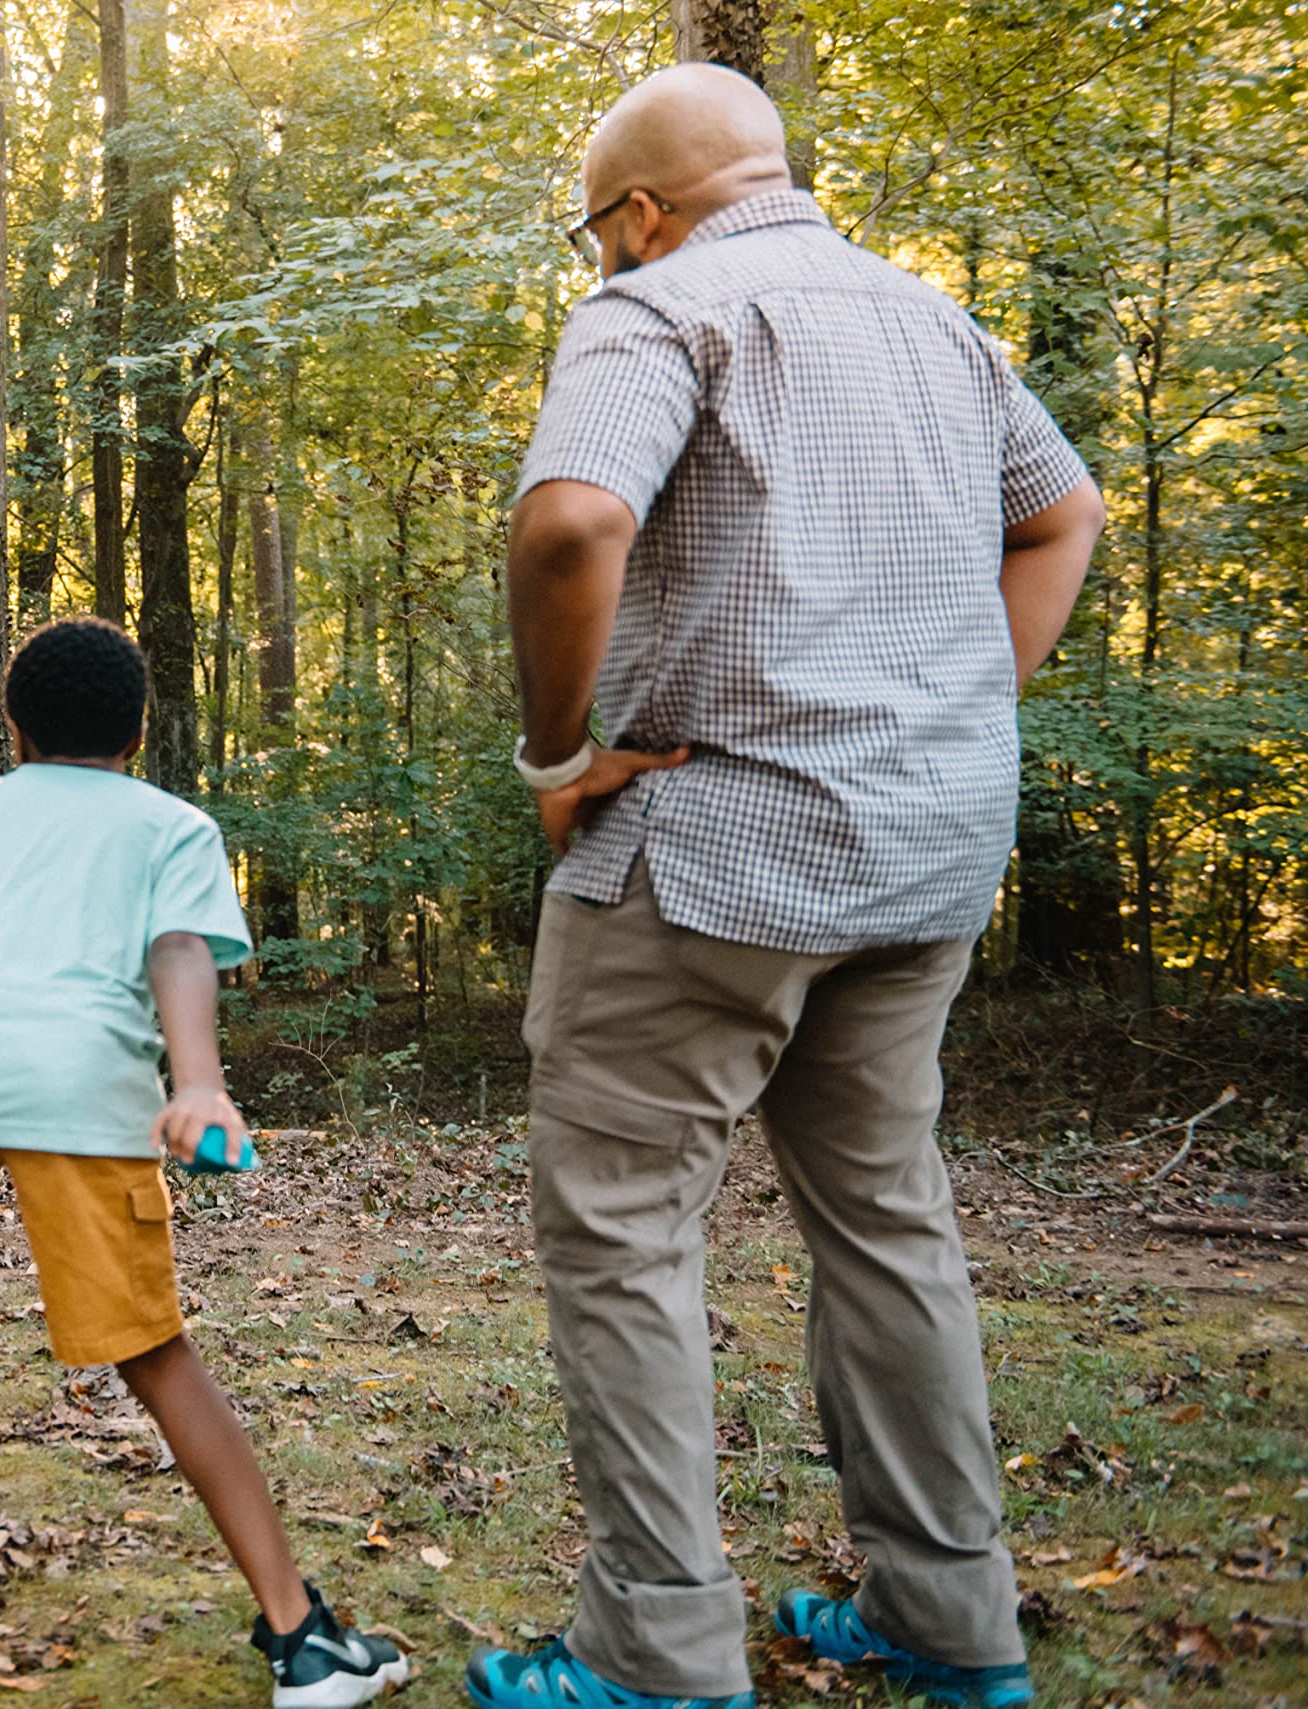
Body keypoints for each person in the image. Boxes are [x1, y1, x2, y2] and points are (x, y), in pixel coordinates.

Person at [468, 63, 1105, 1709]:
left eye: (595, 231)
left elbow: (568, 526)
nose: (600, 256)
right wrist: (948, 712)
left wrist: (557, 759)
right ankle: (951, 1621)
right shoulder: (938, 327)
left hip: (711, 860)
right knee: (890, 1224)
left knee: (620, 1240)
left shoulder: (658, 306)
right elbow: (1063, 515)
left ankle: (661, 1643)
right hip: (925, 858)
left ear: (638, 212)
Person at [0, 617, 412, 1708]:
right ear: (139, 731)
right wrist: (196, 1080)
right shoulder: (169, 823)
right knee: (153, 1350)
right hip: (77, 1085)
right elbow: (179, 946)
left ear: (12, 727)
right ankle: (301, 1638)